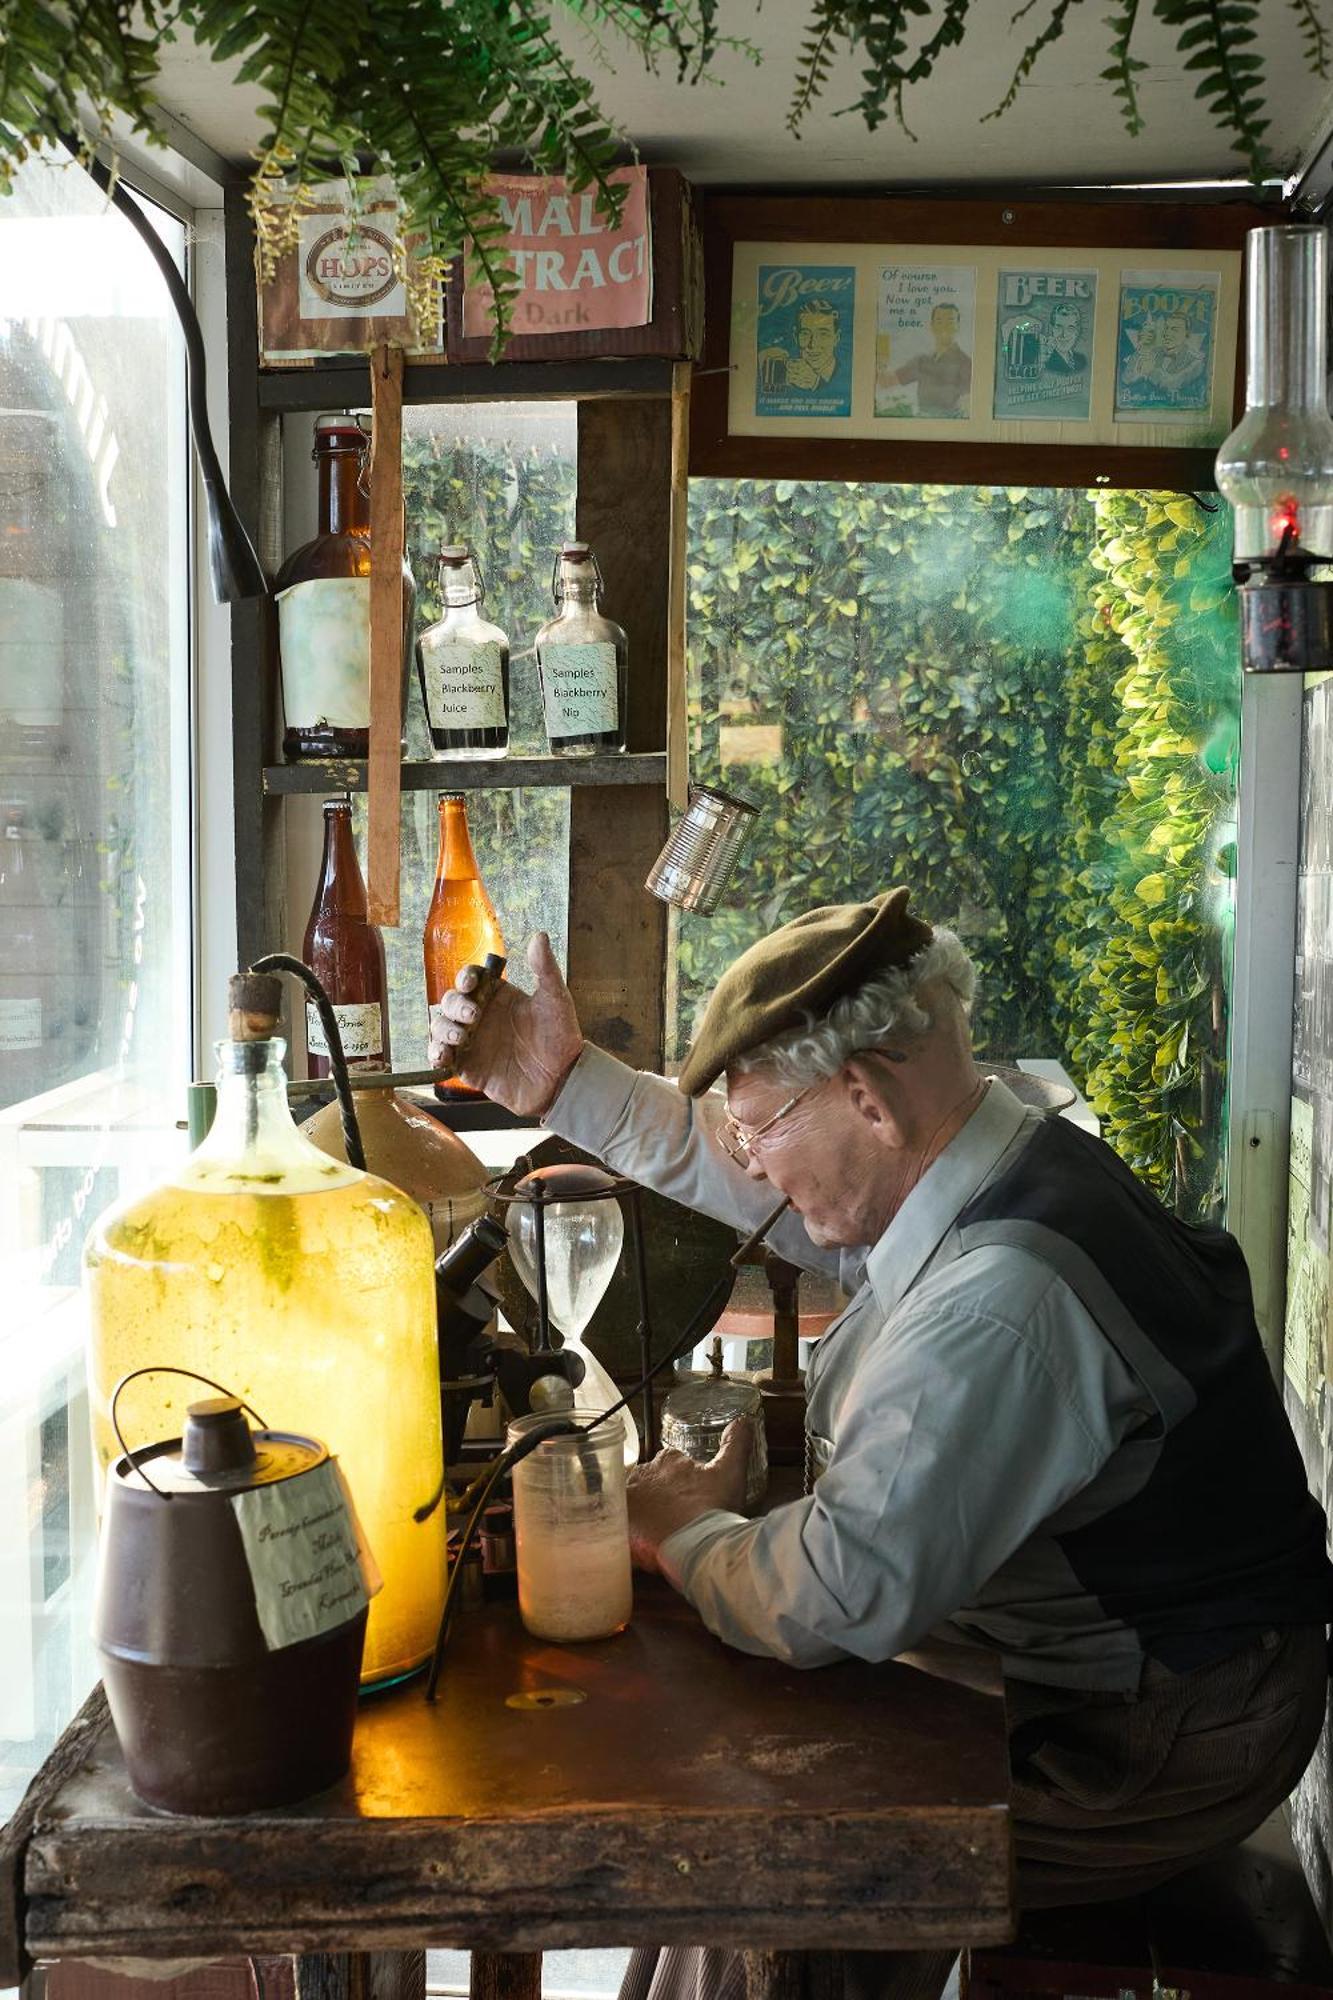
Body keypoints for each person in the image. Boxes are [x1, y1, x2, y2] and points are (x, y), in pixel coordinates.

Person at [432, 891, 1333, 2000]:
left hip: (1153, 1738)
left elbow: (837, 1592)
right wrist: (566, 1083)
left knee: (778, 1849)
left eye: (759, 1130)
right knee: (731, 1821)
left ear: (864, 1095)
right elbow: (722, 1158)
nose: (750, 1166)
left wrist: (677, 1529)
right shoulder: (997, 1160)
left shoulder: (1001, 1300)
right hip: (1121, 1670)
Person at [888, 301, 971, 417]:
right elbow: (890, 381)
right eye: (939, 321)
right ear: (931, 326)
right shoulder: (922, 361)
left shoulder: (966, 363)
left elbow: (970, 403)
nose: (944, 326)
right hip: (921, 423)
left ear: (958, 325)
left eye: (950, 321)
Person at [758, 297, 841, 393]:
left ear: (836, 338)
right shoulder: (786, 370)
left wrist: (816, 383)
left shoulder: (846, 373)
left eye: (823, 334)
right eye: (805, 334)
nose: (813, 344)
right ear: (795, 337)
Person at [1042, 301, 1088, 375]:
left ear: (1077, 332)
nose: (1064, 335)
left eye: (1070, 328)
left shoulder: (1082, 360)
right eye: (1059, 327)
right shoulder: (1045, 361)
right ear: (1051, 329)